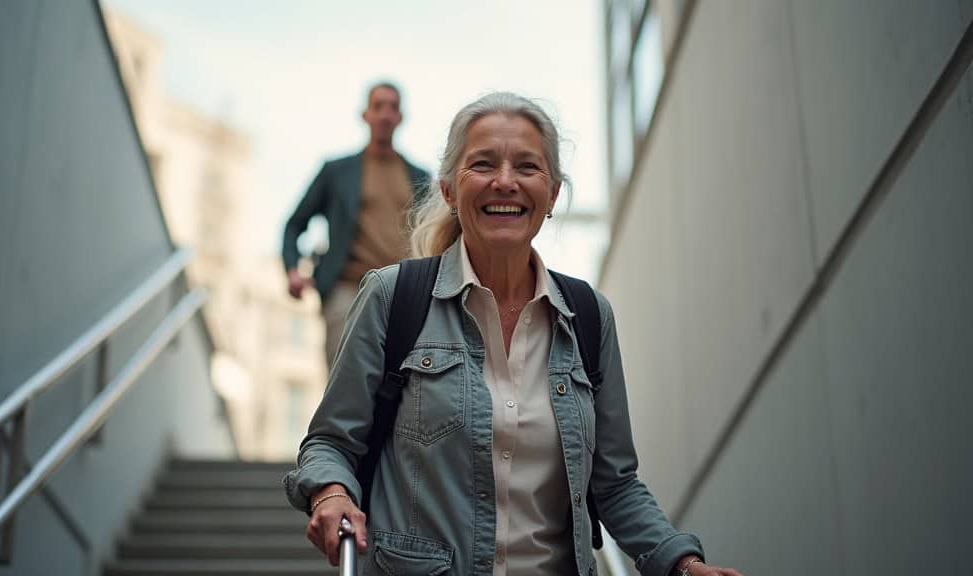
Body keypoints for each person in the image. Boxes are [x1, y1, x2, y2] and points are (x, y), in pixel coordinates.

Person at [283, 93, 743, 576]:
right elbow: (330, 442)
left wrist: (683, 563)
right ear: (447, 189)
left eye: (527, 166)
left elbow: (615, 485)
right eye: (483, 164)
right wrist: (332, 494)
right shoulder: (391, 297)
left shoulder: (588, 315)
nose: (505, 182)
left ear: (553, 193)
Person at [281, 82, 428, 366]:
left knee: (401, 391)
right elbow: (295, 224)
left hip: (405, 295)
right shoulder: (337, 172)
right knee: (345, 388)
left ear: (401, 117)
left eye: (393, 107)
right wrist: (292, 270)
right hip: (348, 290)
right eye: (378, 106)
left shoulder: (419, 176)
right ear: (365, 115)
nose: (385, 114)